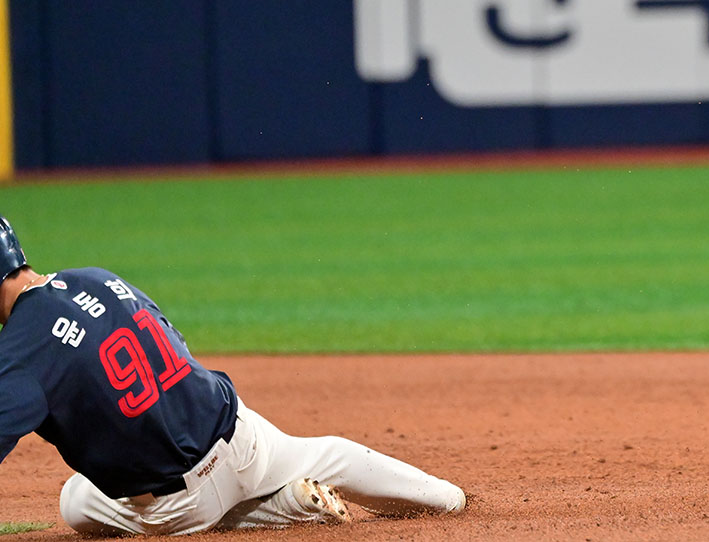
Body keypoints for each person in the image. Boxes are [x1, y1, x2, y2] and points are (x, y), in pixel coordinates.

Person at [0, 215, 466, 534]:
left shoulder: (20, 349)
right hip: (240, 434)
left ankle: (283, 511)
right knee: (326, 454)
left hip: (177, 501)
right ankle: (446, 498)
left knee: (76, 503)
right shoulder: (94, 277)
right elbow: (171, 340)